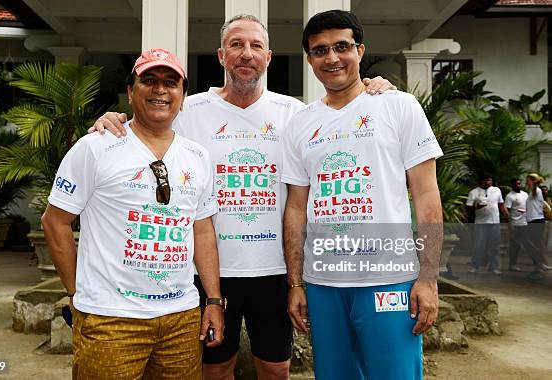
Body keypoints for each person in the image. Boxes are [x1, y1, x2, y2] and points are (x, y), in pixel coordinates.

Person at [91, 14, 395, 380]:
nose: (246, 53)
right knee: (215, 370)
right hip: (213, 273)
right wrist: (110, 121)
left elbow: (345, 126)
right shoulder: (190, 111)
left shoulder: (296, 115)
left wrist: (377, 91)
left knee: (276, 368)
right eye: (236, 44)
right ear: (221, 55)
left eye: (255, 46)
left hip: (276, 270)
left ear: (269, 58)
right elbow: (148, 118)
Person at [42, 48, 225, 379]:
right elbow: (55, 222)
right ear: (130, 91)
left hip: (181, 319)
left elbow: (202, 230)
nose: (160, 90)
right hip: (110, 319)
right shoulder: (95, 147)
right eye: (149, 81)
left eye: (171, 82)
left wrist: (213, 300)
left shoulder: (198, 156)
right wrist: (76, 294)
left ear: (182, 96)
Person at [281, 10, 443, 380]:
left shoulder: (397, 106)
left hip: (390, 278)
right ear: (309, 60)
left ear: (360, 50)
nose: (332, 57)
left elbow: (427, 196)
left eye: (342, 46)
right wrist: (296, 283)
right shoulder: (300, 124)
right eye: (320, 50)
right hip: (324, 284)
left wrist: (428, 278)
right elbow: (295, 208)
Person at [466, 173, 509, 275]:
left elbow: (501, 203)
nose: (489, 182)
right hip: (481, 223)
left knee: (494, 245)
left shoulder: (496, 190)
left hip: (495, 222)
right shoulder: (474, 192)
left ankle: (494, 267)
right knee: (479, 245)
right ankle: (475, 266)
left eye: (490, 180)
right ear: (481, 181)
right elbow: (468, 208)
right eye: (487, 181)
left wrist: (506, 213)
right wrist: (476, 207)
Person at [505, 178, 540, 272]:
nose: (518, 185)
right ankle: (512, 265)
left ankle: (537, 263)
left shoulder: (525, 194)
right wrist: (509, 225)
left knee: (529, 244)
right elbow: (506, 211)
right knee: (515, 245)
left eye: (519, 184)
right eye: (516, 184)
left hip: (526, 222)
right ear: (512, 185)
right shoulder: (509, 196)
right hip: (516, 224)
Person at [526, 173, 550, 274]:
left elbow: (535, 191)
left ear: (533, 181)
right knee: (535, 244)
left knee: (535, 244)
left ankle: (539, 265)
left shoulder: (537, 190)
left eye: (528, 180)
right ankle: (539, 264)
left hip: (536, 220)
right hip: (532, 220)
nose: (526, 182)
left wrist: (535, 184)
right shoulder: (530, 193)